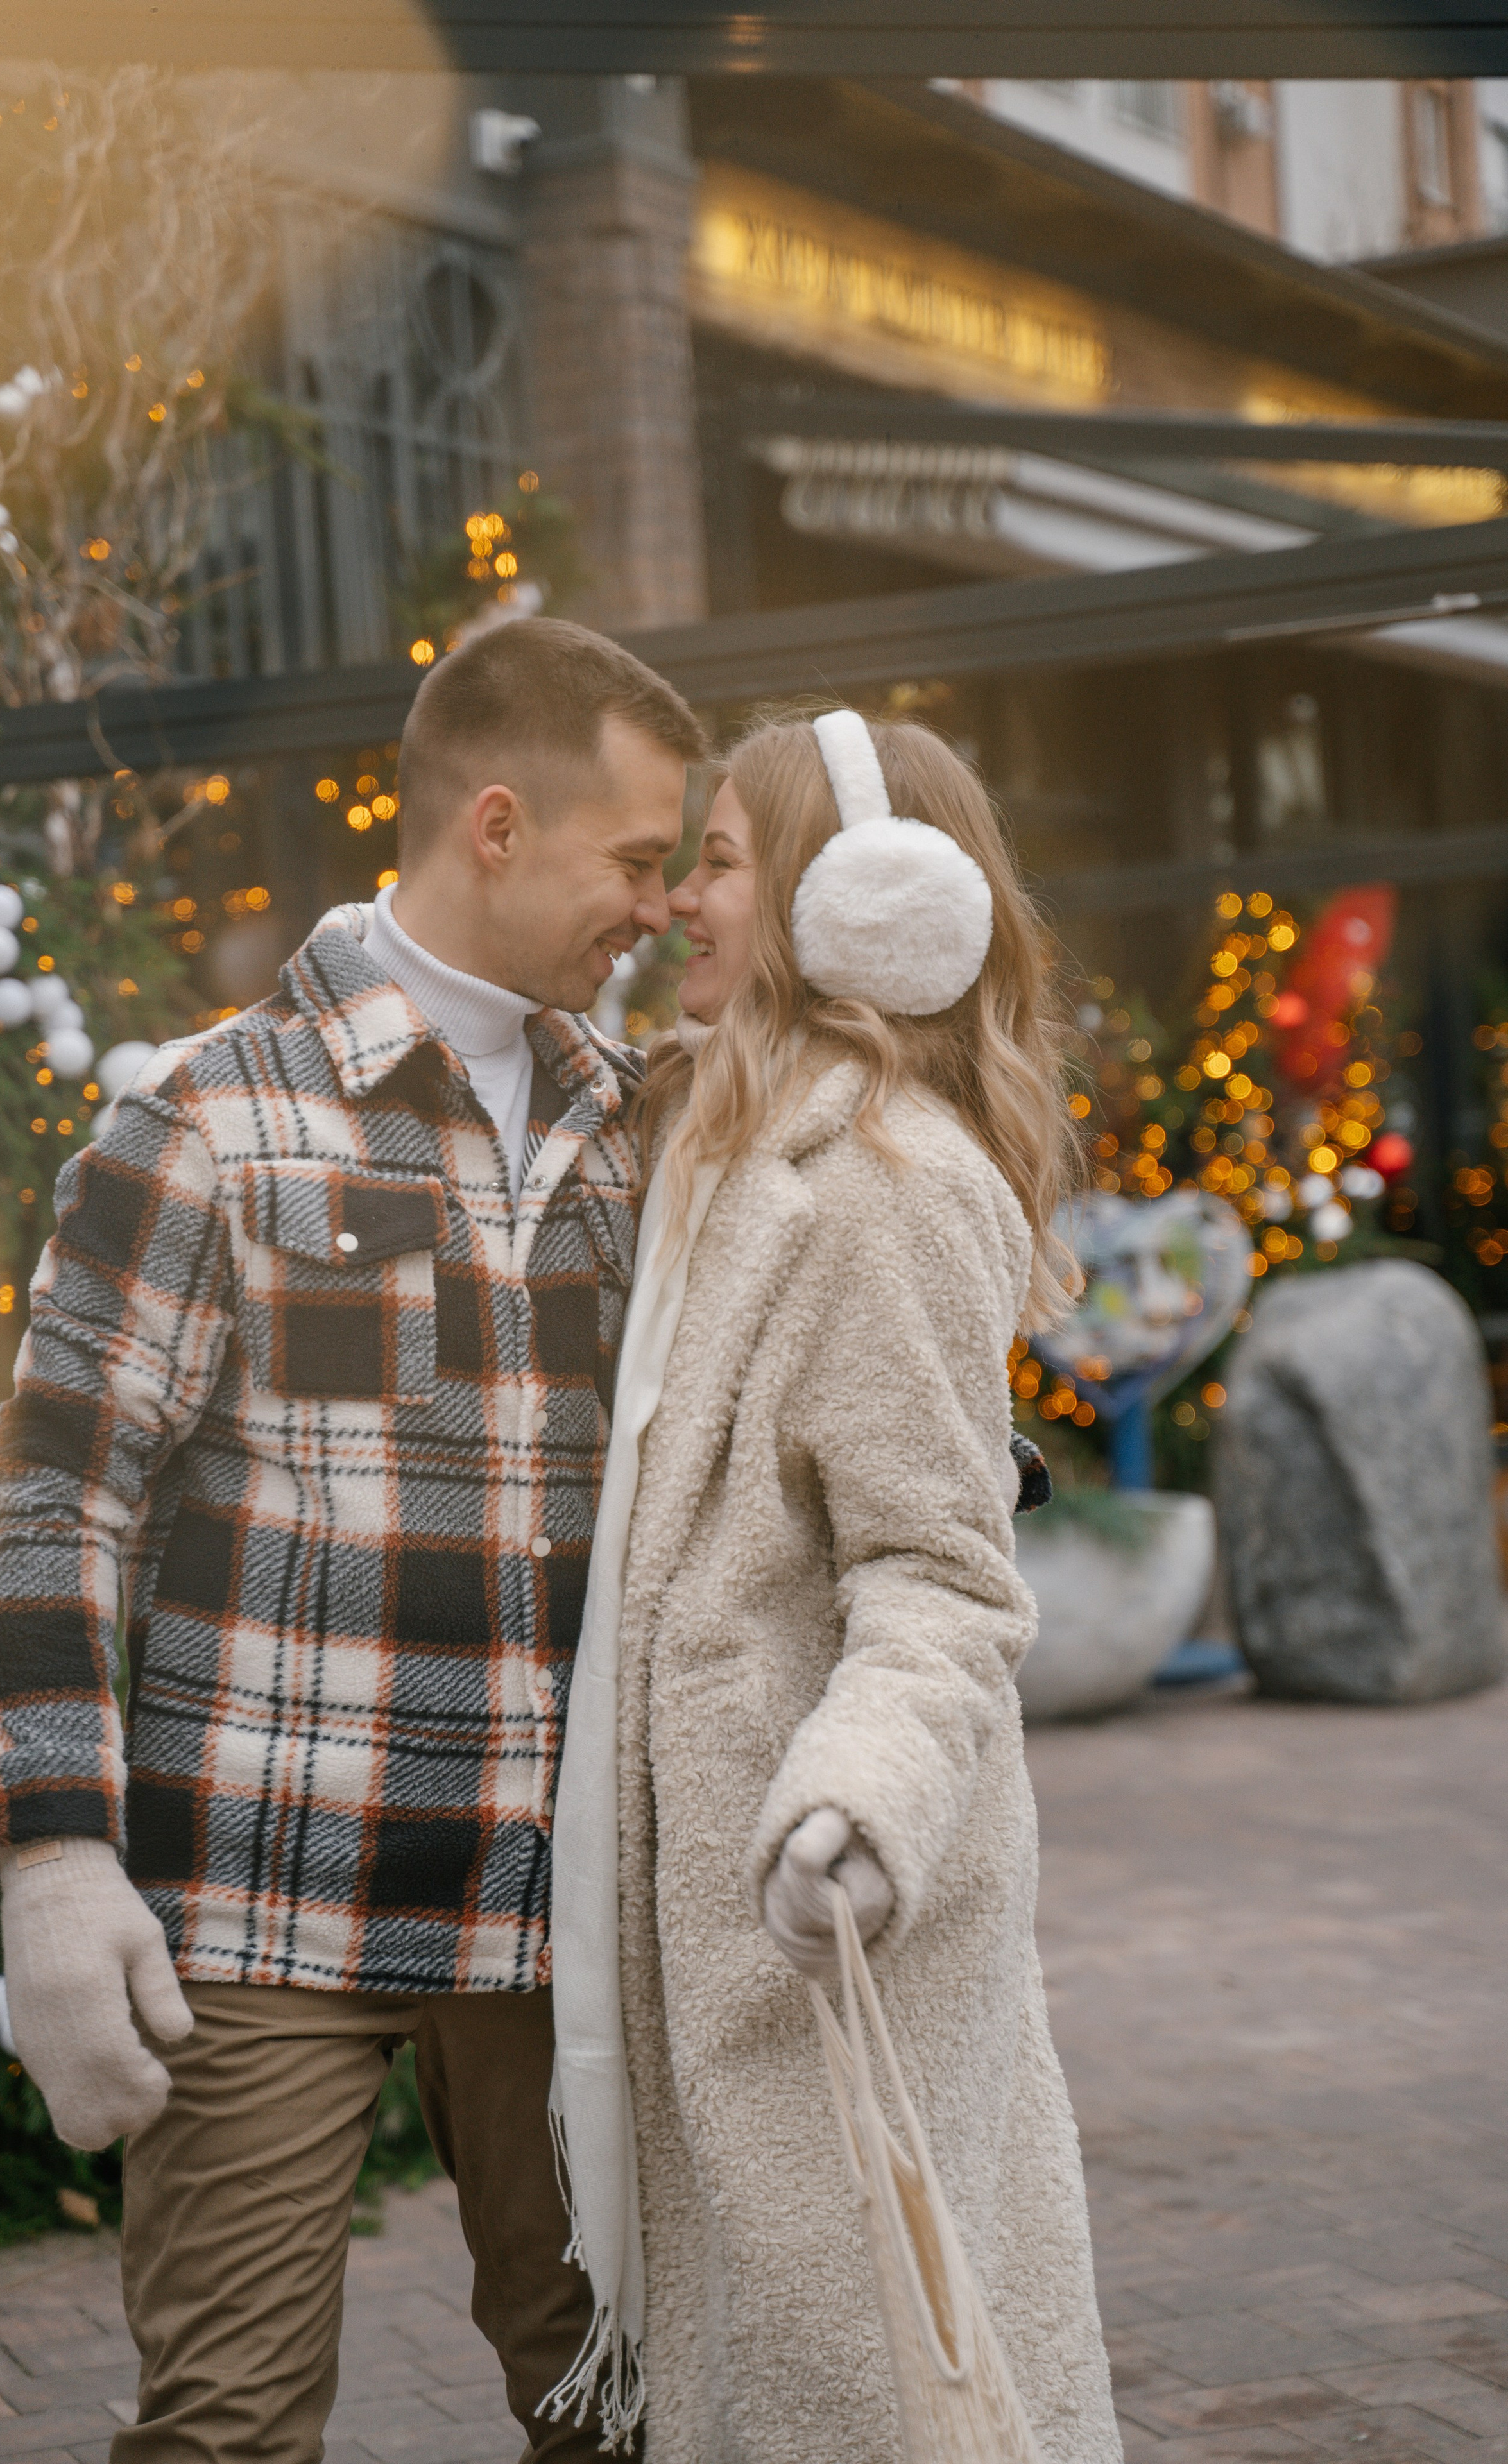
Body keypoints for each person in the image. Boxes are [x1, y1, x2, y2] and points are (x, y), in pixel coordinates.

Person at [0, 617, 705, 2464]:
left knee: (626, 2419)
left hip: (565, 1918)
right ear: (504, 827)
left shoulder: (648, 1127)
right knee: (224, 2433)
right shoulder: (210, 1116)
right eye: (637, 861)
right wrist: (55, 1863)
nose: (662, 907)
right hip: (274, 1898)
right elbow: (54, 1491)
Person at [548, 708, 1123, 2462]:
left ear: (849, 903)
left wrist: (854, 1801)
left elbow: (943, 1577)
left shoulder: (883, 1186)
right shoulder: (729, 1148)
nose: (680, 903)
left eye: (717, 860)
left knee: (868, 2397)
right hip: (739, 1929)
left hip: (820, 1902)